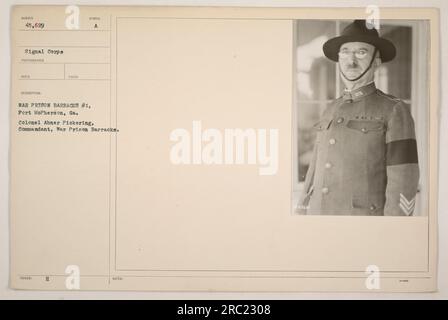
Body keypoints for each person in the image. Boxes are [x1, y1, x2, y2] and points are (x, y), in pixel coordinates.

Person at [299, 19, 419, 216]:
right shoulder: (331, 108)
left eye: (361, 52)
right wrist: (302, 209)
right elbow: (315, 167)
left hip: (363, 224)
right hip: (319, 218)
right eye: (345, 52)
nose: (351, 60)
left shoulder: (394, 109)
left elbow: (404, 177)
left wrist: (393, 228)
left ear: (377, 62)